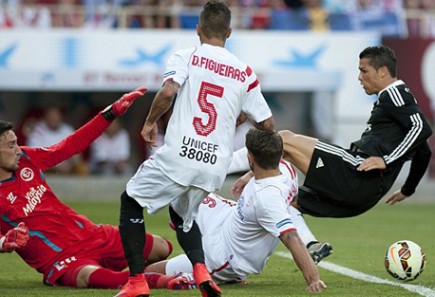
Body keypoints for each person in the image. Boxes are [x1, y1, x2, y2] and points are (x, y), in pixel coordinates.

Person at [116, 1, 275, 296]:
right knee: (183, 216)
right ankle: (202, 272)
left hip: (180, 155)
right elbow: (267, 124)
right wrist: (245, 131)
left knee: (131, 200)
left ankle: (136, 281)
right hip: (215, 165)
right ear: (229, 32)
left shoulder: (187, 55)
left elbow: (167, 92)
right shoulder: (245, 73)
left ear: (198, 29)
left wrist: (150, 122)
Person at [0, 87, 195, 291]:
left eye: (16, 143)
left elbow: (71, 144)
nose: (18, 149)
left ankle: (133, 275)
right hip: (61, 258)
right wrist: (4, 242)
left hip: (90, 234)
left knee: (161, 247)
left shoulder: (27, 158)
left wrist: (111, 113)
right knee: (92, 277)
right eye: (11, 146)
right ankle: (163, 281)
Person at [234, 45, 432, 218]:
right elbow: (424, 151)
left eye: (364, 71)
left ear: (382, 72)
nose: (360, 77)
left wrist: (386, 160)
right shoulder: (396, 104)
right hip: (363, 194)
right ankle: (310, 245)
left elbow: (422, 127)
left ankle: (224, 165)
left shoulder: (394, 93)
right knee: (289, 202)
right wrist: (408, 189)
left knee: (284, 139)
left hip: (356, 174)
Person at [145, 131, 329, 293]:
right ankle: (186, 227)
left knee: (148, 272)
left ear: (250, 158)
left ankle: (204, 275)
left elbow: (292, 239)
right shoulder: (287, 169)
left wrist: (313, 279)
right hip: (228, 216)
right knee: (184, 193)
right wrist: (249, 175)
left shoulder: (266, 199)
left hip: (223, 256)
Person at [27, 105, 87, 175]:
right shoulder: (37, 130)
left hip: (67, 168)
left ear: (61, 116)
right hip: (45, 169)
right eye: (51, 115)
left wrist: (74, 164)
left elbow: (76, 153)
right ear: (45, 116)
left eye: (56, 115)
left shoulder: (67, 129)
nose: (53, 118)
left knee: (83, 168)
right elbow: (35, 155)